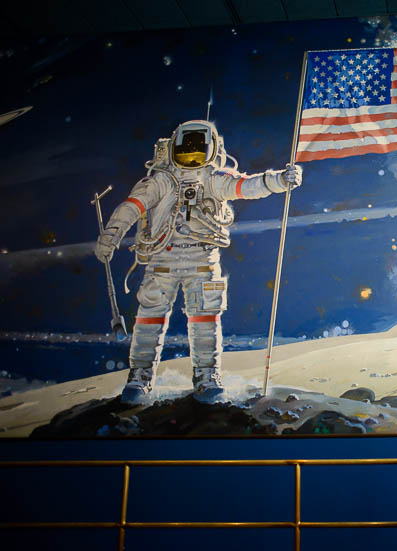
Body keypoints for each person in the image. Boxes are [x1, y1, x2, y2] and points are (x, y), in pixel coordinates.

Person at [94, 119, 302, 404]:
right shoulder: (161, 181)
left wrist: (279, 180)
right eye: (186, 149)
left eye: (197, 149)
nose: (192, 156)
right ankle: (140, 377)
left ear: (212, 149)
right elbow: (133, 206)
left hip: (202, 260)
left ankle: (207, 375)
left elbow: (248, 186)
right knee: (149, 320)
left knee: (204, 318)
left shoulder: (214, 180)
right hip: (162, 259)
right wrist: (111, 236)